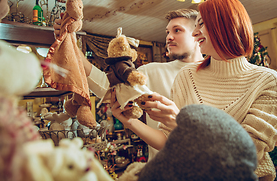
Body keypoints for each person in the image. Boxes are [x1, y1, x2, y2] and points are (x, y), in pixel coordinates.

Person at [112, 0, 277, 181]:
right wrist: (130, 122)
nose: (195, 33)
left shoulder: (267, 80)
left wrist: (181, 123)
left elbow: (244, 153)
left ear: (225, 24)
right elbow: (169, 143)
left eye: (201, 24)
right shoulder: (186, 76)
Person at [53, 9, 204, 160]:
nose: (169, 37)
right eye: (167, 32)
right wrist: (70, 41)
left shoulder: (218, 74)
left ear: (197, 33)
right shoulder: (151, 71)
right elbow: (105, 85)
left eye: (177, 30)